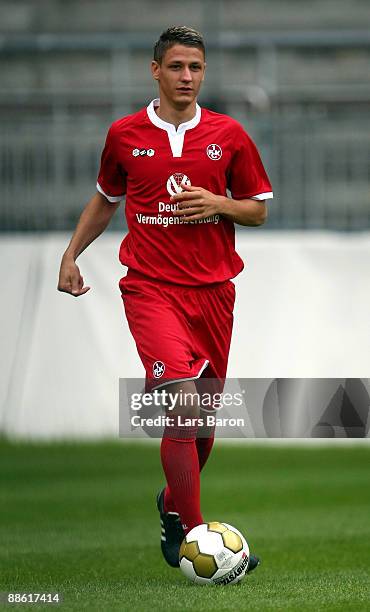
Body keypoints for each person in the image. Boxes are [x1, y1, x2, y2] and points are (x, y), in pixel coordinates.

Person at [58, 25, 273, 572]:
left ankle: (172, 505)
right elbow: (107, 199)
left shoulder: (230, 133)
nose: (186, 77)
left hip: (214, 293)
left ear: (204, 73)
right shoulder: (125, 134)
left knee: (204, 426)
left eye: (195, 68)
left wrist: (218, 204)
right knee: (180, 406)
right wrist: (71, 255)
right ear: (155, 70)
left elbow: (258, 208)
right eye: (176, 67)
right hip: (150, 288)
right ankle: (197, 537)